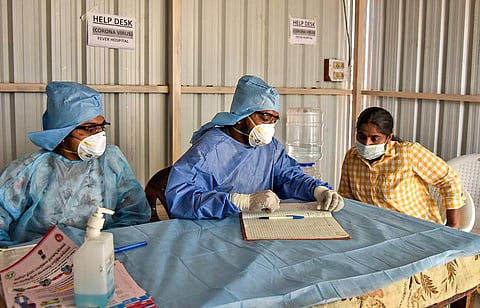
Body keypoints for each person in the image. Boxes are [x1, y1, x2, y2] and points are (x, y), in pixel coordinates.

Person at [165, 75, 344, 219]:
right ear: (243, 115)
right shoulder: (211, 148)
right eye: (265, 117)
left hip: (258, 224)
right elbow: (181, 197)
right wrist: (240, 201)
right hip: (214, 229)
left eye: (274, 120)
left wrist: (318, 190)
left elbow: (289, 177)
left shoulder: (270, 148)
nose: (270, 126)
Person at [0, 81, 150, 246]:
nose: (98, 135)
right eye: (89, 128)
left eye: (101, 127)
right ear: (62, 133)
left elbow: (135, 212)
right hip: (41, 256)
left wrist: (111, 244)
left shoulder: (111, 159)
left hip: (102, 249)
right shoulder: (29, 169)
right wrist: (14, 255)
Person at [338, 106, 464, 227]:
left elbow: (449, 180)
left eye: (375, 138)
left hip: (418, 227)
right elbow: (346, 197)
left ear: (389, 138)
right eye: (362, 136)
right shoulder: (352, 157)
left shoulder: (408, 153)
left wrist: (452, 225)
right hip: (375, 228)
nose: (367, 143)